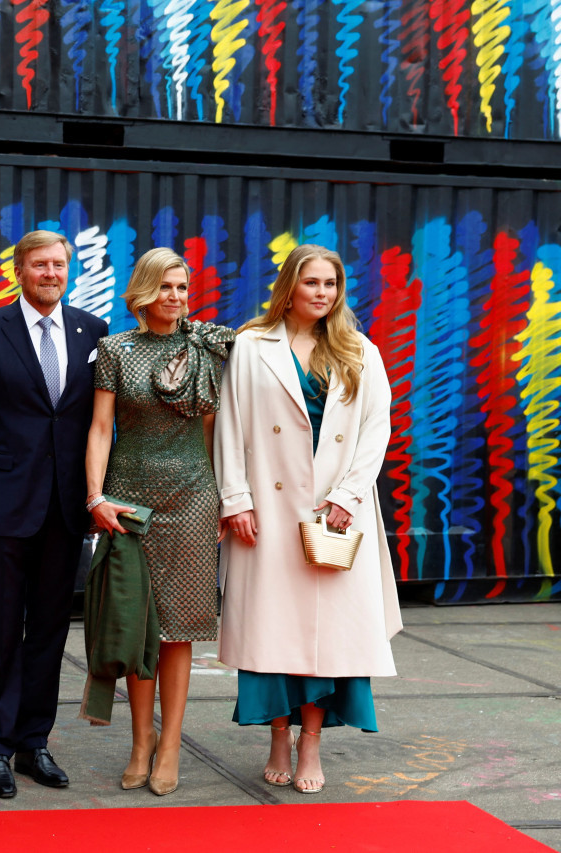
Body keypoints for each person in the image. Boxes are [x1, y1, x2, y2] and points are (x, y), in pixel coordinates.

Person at [214, 243, 402, 795]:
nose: (322, 293)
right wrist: (235, 499)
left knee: (326, 639)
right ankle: (277, 735)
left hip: (335, 516)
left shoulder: (359, 350)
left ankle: (312, 742)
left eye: (331, 284)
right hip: (268, 514)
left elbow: (375, 431)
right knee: (270, 632)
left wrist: (349, 495)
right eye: (312, 282)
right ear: (289, 286)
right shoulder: (250, 346)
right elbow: (231, 426)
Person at [0, 230, 108, 799]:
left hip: (66, 512)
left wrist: (96, 495)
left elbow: (98, 425)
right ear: (19, 270)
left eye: (59, 265)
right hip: (0, 509)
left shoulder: (94, 331)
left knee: (47, 633)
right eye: (40, 265)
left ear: (70, 270)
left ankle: (32, 743)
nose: (51, 274)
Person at [83, 248, 234, 795]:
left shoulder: (206, 349)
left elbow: (217, 432)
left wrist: (224, 496)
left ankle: (170, 743)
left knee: (180, 627)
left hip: (193, 496)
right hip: (131, 499)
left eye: (183, 289)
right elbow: (101, 429)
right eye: (166, 287)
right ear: (144, 291)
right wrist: (96, 497)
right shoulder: (115, 350)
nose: (176, 298)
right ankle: (139, 739)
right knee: (137, 619)